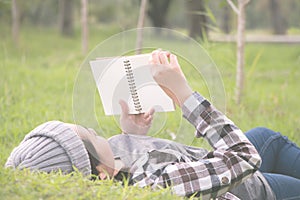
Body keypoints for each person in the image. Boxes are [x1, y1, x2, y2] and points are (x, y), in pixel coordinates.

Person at [5, 50, 300, 200]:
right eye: (90, 135)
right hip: (255, 187)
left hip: (245, 158)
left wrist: (133, 136)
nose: (95, 131)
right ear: (101, 176)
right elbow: (244, 158)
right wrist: (184, 93)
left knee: (265, 137)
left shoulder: (115, 172)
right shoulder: (158, 186)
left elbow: (132, 167)